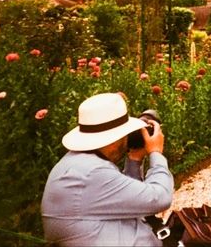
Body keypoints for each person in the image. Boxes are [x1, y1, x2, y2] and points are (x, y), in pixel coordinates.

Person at [41, 92, 174, 246]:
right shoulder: (92, 173)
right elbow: (161, 198)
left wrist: (134, 159)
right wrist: (156, 153)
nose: (127, 139)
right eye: (125, 134)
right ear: (115, 138)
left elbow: (134, 201)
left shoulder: (79, 164)